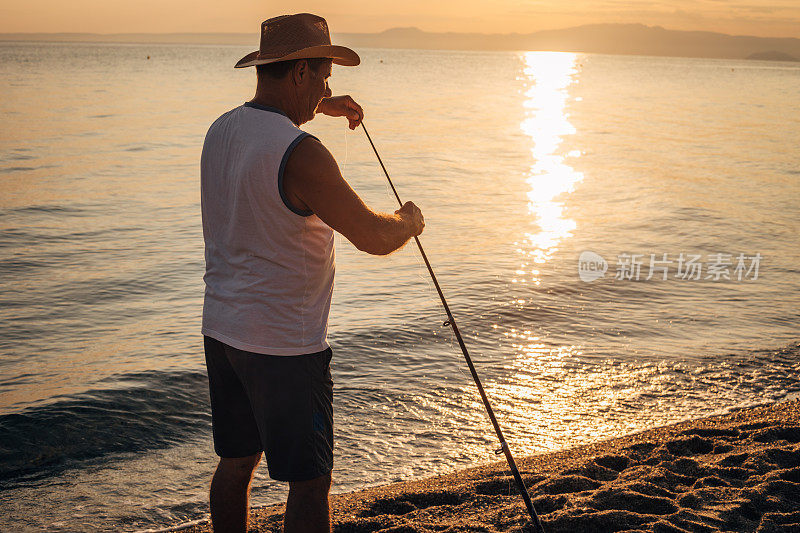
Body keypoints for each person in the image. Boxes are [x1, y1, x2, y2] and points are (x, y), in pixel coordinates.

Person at [200, 13, 424, 533]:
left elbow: (268, 126)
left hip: (222, 330)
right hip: (284, 344)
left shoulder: (222, 130)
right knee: (309, 479)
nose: (328, 87)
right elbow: (373, 235)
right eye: (323, 78)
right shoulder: (303, 155)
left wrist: (321, 106)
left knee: (236, 463)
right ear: (299, 71)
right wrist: (409, 220)